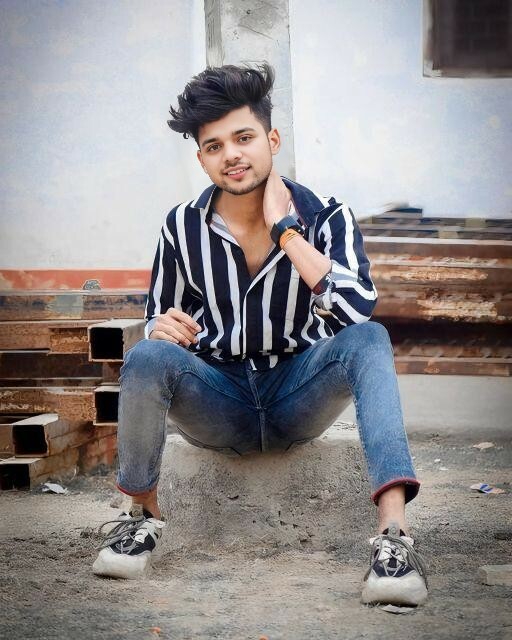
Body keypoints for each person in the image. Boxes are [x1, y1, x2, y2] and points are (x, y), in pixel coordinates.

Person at [92, 63, 427, 606]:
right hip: (218, 399)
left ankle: (394, 541)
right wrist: (159, 327)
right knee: (147, 355)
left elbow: (354, 312)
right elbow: (160, 316)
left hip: (298, 394)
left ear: (271, 140)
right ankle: (141, 517)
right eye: (214, 146)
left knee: (371, 339)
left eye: (243, 138)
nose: (231, 154)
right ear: (202, 159)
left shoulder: (326, 216)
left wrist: (286, 232)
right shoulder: (181, 226)